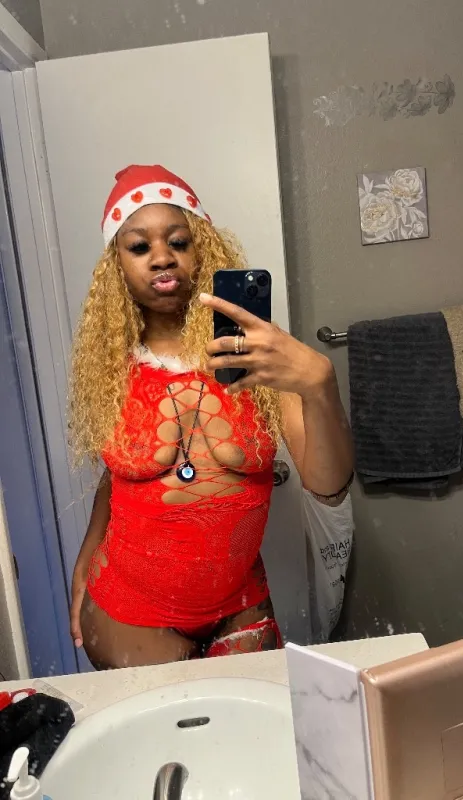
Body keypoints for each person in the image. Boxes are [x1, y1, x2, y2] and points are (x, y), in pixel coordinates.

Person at [67, 165, 354, 669]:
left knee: (249, 718)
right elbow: (118, 478)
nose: (162, 256)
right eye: (139, 246)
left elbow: (327, 487)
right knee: (172, 725)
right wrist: (87, 556)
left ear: (203, 249)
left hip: (242, 605)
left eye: (178, 241)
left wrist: (319, 384)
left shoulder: (261, 357)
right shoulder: (109, 368)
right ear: (117, 267)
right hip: (130, 612)